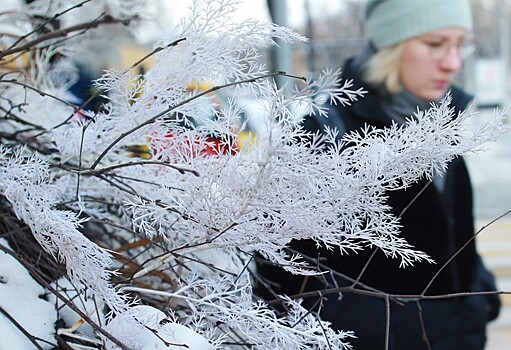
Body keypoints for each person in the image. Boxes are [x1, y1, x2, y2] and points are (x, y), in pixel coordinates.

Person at [255, 0, 501, 349]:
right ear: (391, 42)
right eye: (434, 44)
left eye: (460, 44)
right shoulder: (322, 134)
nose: (452, 62)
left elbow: (456, 237)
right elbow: (280, 280)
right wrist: (391, 330)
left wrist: (478, 297)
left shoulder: (442, 122)